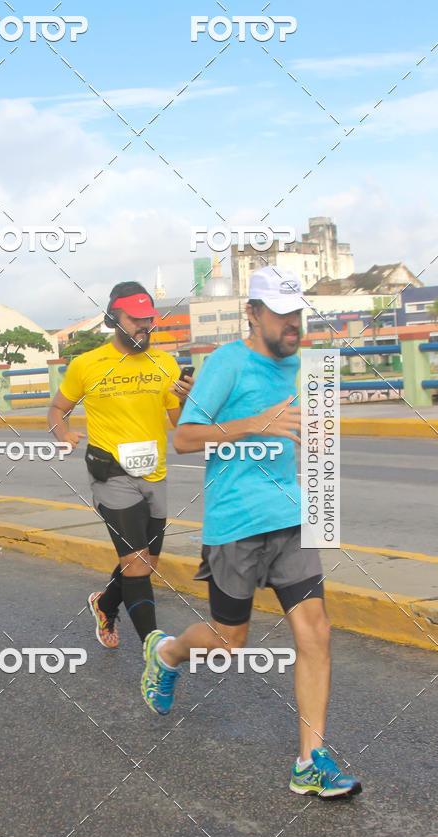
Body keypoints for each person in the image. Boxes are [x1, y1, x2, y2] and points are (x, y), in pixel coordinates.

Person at [141, 267, 361, 798]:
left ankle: (310, 760)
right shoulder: (226, 364)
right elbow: (187, 439)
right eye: (281, 313)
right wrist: (254, 424)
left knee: (316, 633)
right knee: (227, 641)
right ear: (254, 313)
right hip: (235, 523)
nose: (293, 323)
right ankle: (167, 653)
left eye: (298, 313)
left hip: (290, 520)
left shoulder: (303, 368)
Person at [48, 281, 193, 648]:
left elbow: (180, 424)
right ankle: (156, 652)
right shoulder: (88, 364)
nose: (146, 326)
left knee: (147, 563)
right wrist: (63, 433)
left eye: (150, 319)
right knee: (138, 565)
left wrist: (189, 400)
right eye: (136, 319)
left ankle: (105, 603)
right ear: (114, 318)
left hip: (153, 474)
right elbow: (56, 410)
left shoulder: (165, 362)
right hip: (112, 473)